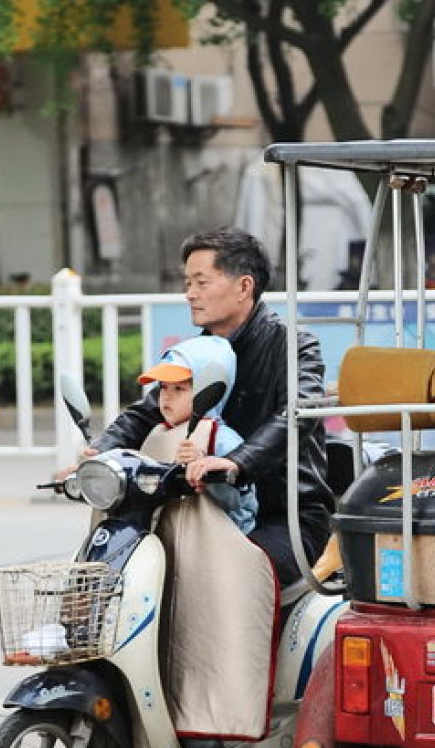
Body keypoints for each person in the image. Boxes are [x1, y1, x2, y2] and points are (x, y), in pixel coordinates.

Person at [80, 226, 334, 587]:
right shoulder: (198, 354)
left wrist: (237, 461)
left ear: (244, 286)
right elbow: (150, 409)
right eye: (187, 283)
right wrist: (98, 452)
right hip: (205, 511)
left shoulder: (293, 345)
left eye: (201, 282)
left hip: (284, 516)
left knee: (231, 579)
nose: (189, 294)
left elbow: (296, 414)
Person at [136, 334, 259, 534]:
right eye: (163, 387)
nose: (167, 396)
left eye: (179, 388)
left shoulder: (222, 439)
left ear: (208, 393)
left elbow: (237, 504)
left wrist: (206, 470)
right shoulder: (160, 432)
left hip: (219, 544)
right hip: (173, 537)